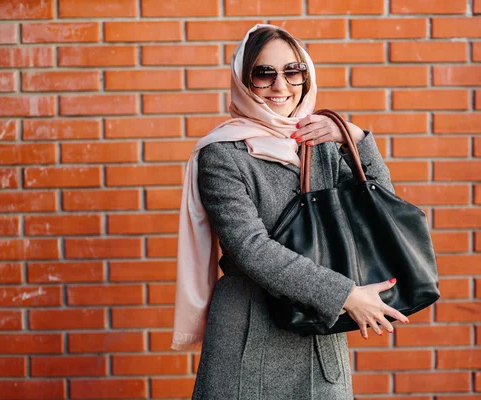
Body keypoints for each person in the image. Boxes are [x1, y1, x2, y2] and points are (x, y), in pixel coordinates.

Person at [172, 24, 409, 399]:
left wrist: (355, 139)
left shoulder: (323, 144)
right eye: (263, 74)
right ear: (243, 80)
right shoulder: (222, 153)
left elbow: (380, 211)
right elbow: (250, 248)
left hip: (316, 331)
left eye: (292, 71)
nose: (281, 87)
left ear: (306, 75)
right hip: (249, 331)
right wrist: (344, 295)